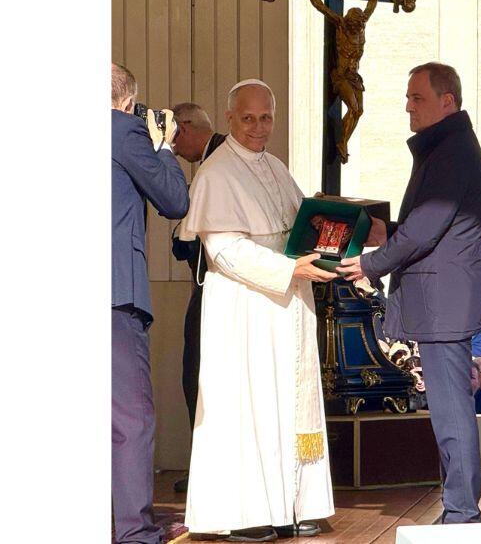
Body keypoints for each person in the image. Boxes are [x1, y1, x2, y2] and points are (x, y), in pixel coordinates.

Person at [179, 79, 337, 541]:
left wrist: (331, 244)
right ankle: (246, 511)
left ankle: (295, 504)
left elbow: (298, 227)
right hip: (244, 307)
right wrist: (289, 271)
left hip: (287, 303)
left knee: (290, 403)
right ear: (229, 119)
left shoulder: (276, 167)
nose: (258, 127)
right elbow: (223, 250)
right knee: (247, 403)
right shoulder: (215, 173)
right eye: (247, 118)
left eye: (265, 117)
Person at [337, 62, 481, 524]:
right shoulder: (449, 147)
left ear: (448, 101)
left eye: (417, 97)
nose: (408, 105)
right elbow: (434, 228)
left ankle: (462, 511)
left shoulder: (451, 151)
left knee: (450, 411)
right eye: (408, 97)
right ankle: (459, 507)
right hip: (442, 298)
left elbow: (427, 230)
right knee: (448, 409)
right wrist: (390, 231)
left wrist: (367, 263)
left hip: (442, 302)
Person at [112, 62, 190, 544]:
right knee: (130, 418)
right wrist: (161, 144)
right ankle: (135, 531)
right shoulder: (122, 130)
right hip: (112, 294)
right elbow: (175, 201)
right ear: (126, 101)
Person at [169, 101, 227, 494]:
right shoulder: (221, 156)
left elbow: (187, 241)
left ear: (186, 127)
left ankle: (209, 470)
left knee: (199, 374)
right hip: (215, 283)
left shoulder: (216, 163)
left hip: (217, 287)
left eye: (173, 135)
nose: (172, 145)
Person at [305, 0, 378, 162]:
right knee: (353, 108)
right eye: (354, 26)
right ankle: (342, 143)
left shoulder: (361, 24)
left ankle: (344, 141)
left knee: (359, 111)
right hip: (341, 76)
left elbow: (371, 5)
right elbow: (320, 6)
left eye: (359, 26)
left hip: (354, 76)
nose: (357, 28)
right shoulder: (341, 24)